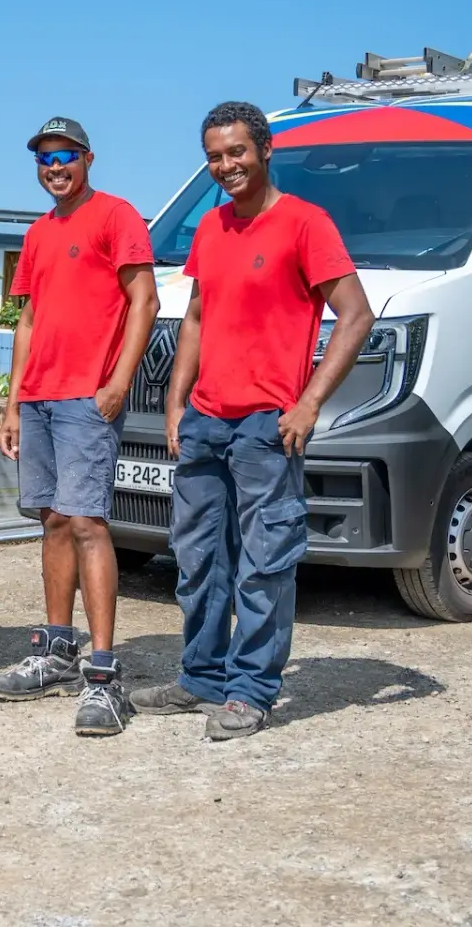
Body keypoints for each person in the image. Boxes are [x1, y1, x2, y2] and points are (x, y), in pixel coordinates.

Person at [132, 101, 373, 740]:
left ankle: (251, 691)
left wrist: (310, 401)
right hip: (207, 420)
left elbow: (356, 315)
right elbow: (196, 317)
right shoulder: (211, 227)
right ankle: (201, 677)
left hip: (269, 425)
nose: (226, 165)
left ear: (266, 150)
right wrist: (176, 400)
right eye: (214, 156)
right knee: (198, 559)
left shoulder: (305, 223)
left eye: (237, 151)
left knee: (264, 562)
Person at [0, 116, 159, 736]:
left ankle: (104, 676)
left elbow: (145, 300)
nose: (55, 167)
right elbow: (29, 320)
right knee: (54, 520)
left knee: (87, 521)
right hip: (38, 397)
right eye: (44, 158)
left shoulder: (116, 215)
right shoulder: (37, 233)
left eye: (65, 155)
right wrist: (12, 402)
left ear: (88, 158)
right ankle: (57, 651)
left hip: (89, 396)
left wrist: (118, 380)